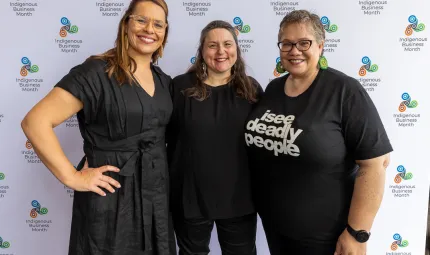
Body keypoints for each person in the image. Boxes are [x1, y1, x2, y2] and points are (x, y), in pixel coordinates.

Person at [21, 0, 176, 254]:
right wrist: (72, 177)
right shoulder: (96, 72)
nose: (150, 29)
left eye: (158, 24)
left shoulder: (164, 81)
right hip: (110, 197)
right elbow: (35, 121)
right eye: (141, 20)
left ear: (164, 33)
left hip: (155, 196)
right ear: (126, 24)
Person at [245, 10, 393, 255]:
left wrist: (357, 234)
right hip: (276, 229)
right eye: (287, 43)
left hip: (326, 237)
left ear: (321, 46)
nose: (295, 50)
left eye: (304, 43)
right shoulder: (273, 88)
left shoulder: (344, 91)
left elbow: (374, 164)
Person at [167, 20, 262, 255]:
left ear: (237, 50)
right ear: (201, 51)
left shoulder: (252, 90)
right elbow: (158, 135)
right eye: (212, 45)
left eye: (228, 44)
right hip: (190, 198)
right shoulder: (179, 87)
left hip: (239, 199)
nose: (221, 52)